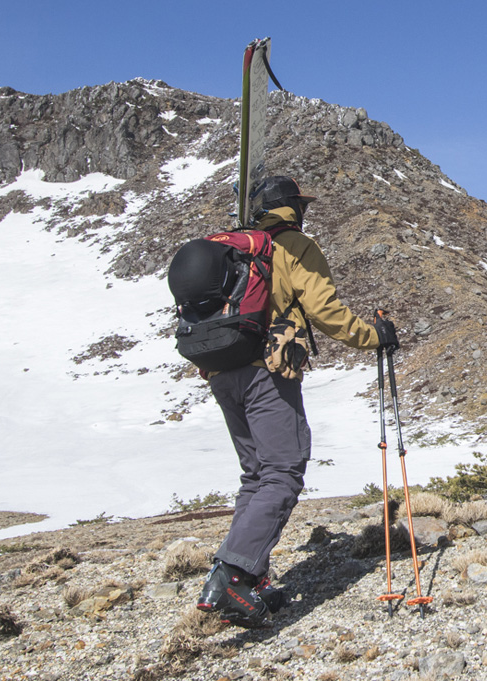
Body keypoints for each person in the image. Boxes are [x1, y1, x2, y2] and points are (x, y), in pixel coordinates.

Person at [196, 176, 398, 627]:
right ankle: (231, 577)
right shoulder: (291, 246)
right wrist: (373, 336)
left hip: (219, 370)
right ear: (291, 207)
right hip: (265, 370)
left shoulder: (230, 247)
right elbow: (326, 312)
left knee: (256, 475)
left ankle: (247, 577)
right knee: (283, 473)